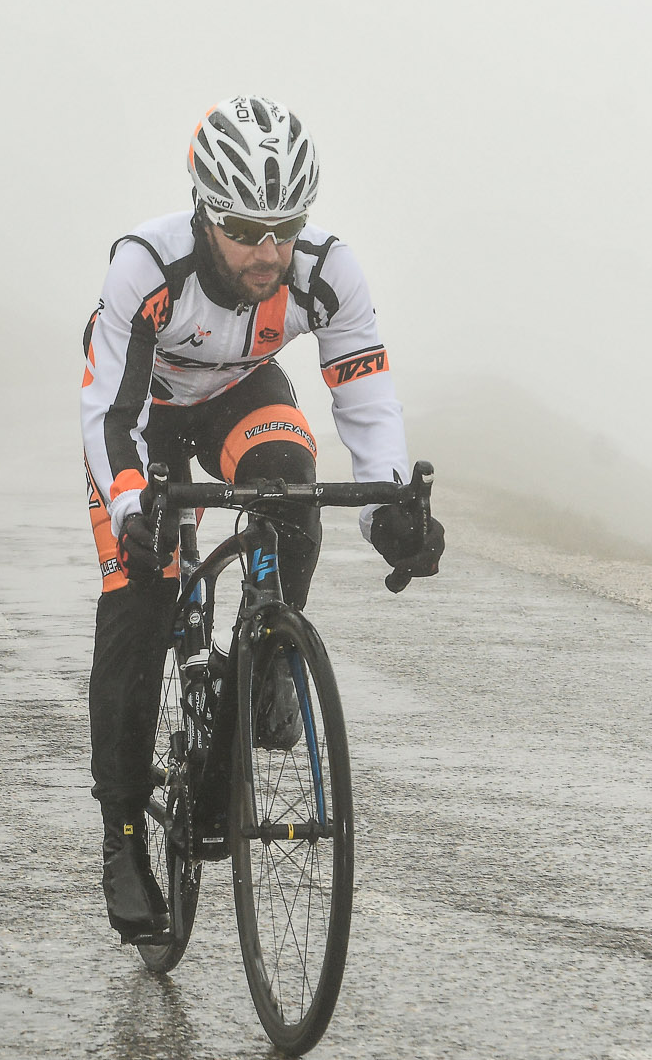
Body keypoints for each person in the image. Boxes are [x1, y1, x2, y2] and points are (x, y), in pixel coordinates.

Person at [79, 95, 445, 942]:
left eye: (286, 229)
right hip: (144, 413)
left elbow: (365, 394)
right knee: (143, 595)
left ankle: (265, 653)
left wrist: (390, 507)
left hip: (240, 394)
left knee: (291, 487)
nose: (268, 252)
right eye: (246, 230)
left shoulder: (326, 271)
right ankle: (122, 832)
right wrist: (133, 507)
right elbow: (110, 415)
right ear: (205, 212)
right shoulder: (146, 267)